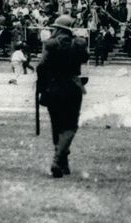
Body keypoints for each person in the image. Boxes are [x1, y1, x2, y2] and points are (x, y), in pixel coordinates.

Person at [36, 15, 89, 178]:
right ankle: (59, 161)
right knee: (70, 126)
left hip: (53, 88)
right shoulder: (78, 45)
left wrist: (43, 86)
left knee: (57, 126)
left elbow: (40, 67)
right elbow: (85, 59)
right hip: (73, 87)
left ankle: (62, 163)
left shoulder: (50, 45)